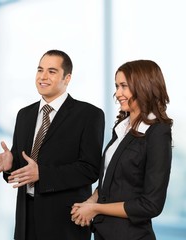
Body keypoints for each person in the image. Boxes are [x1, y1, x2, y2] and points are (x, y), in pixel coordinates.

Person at [0, 49, 105, 240]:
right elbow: (24, 165)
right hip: (26, 219)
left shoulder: (89, 115)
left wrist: (43, 174)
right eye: (40, 70)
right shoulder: (24, 115)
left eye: (52, 71)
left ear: (67, 78)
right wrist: (10, 165)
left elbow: (90, 169)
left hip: (64, 222)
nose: (43, 76)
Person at [71, 60, 173, 240]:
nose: (118, 93)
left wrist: (96, 209)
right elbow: (111, 180)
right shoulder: (122, 128)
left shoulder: (157, 133)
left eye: (124, 86)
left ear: (143, 86)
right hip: (103, 234)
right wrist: (90, 202)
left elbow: (151, 205)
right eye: (117, 86)